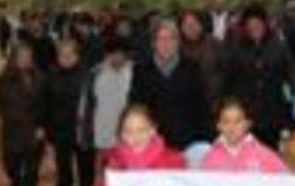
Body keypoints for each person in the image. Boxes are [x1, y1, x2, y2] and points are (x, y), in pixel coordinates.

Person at [221, 2, 295, 149]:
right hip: (246, 113)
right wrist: (229, 103)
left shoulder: (278, 47)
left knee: (270, 153)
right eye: (250, 25)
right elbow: (227, 80)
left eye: (257, 24)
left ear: (264, 25)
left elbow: (292, 72)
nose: (254, 28)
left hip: (273, 112)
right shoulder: (236, 49)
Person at [0, 41, 46, 186]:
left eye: (29, 57)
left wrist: (43, 127)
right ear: (14, 59)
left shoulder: (40, 78)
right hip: (12, 130)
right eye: (22, 57)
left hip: (34, 130)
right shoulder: (4, 79)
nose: (26, 60)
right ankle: (16, 184)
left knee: (32, 169)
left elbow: (46, 105)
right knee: (11, 163)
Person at [128, 21, 211, 150]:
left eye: (171, 38)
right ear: (153, 43)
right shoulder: (141, 71)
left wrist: (204, 142)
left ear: (177, 43)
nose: (166, 43)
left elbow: (202, 108)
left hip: (187, 142)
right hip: (152, 142)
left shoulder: (192, 68)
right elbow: (136, 107)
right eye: (161, 39)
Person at [43, 39, 95, 186]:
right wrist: (47, 131)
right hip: (60, 128)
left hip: (82, 128)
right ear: (57, 57)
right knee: (63, 164)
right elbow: (45, 104)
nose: (66, 58)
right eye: (62, 55)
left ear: (77, 56)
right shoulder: (50, 76)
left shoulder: (88, 75)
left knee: (85, 164)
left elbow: (94, 102)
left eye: (70, 54)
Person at [80, 34, 133, 173]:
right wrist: (85, 133)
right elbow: (86, 105)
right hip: (102, 130)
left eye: (121, 54)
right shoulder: (96, 74)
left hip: (127, 131)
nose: (118, 57)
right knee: (101, 170)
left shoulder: (133, 73)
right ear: (107, 54)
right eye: (113, 53)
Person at [178, 10, 225, 112]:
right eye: (186, 25)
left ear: (201, 25)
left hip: (213, 100)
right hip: (185, 103)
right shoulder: (177, 47)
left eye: (194, 24)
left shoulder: (215, 43)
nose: (191, 28)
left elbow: (226, 70)